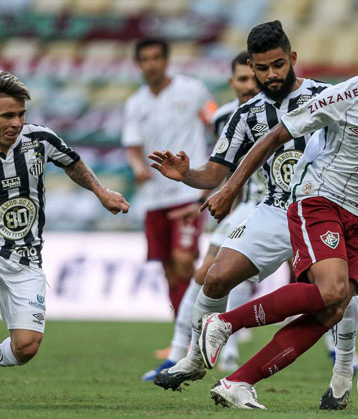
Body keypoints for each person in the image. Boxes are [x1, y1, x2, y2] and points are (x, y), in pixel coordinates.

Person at [198, 27, 358, 410]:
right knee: (333, 292)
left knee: (333, 307)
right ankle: (226, 323)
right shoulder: (343, 96)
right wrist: (231, 188)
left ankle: (238, 382)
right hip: (319, 199)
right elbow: (275, 136)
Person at [149, 22, 358, 410]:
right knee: (216, 277)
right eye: (262, 68)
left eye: (278, 65)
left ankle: (343, 373)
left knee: (338, 294)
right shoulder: (246, 114)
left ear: (292, 59)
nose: (271, 75)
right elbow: (215, 171)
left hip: (322, 210)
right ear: (252, 66)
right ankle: (197, 359)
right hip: (276, 210)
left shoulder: (326, 97)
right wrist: (187, 175)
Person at [0, 70, 129, 367]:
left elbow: (72, 162)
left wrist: (100, 191)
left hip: (24, 256)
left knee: (26, 347)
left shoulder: (38, 139)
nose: (16, 123)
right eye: (7, 116)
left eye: (20, 114)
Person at [141, 51, 261, 381]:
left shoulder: (283, 111)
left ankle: (341, 354)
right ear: (232, 82)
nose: (249, 86)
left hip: (288, 206)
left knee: (320, 283)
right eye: (243, 79)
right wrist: (202, 188)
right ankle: (180, 353)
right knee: (206, 274)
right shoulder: (224, 117)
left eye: (255, 78)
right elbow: (220, 167)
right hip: (245, 207)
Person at [123, 38, 216, 333]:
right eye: (146, 59)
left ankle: (203, 325)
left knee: (184, 259)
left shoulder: (193, 90)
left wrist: (212, 170)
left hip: (188, 191)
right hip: (154, 197)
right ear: (138, 64)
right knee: (168, 269)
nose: (151, 64)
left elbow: (217, 123)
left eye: (156, 58)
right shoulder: (135, 103)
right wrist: (139, 169)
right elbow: (133, 145)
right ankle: (183, 334)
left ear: (166, 60)